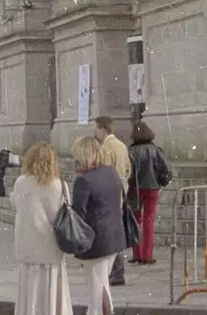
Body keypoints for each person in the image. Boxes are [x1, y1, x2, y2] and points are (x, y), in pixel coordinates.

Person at [11, 141, 74, 315]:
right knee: (51, 287)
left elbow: (15, 200)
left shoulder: (21, 182)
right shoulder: (57, 185)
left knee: (28, 289)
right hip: (50, 245)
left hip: (27, 243)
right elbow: (58, 214)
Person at [71, 135, 124, 315]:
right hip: (114, 237)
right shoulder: (111, 172)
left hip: (95, 242)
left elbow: (78, 214)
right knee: (102, 286)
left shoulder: (83, 180)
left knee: (96, 290)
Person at [92, 116, 130, 286]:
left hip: (108, 197)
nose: (95, 132)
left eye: (96, 128)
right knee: (115, 233)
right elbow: (128, 168)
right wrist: (123, 184)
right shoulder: (121, 145)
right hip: (120, 195)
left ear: (102, 128)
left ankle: (115, 271)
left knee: (109, 236)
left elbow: (103, 173)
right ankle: (117, 271)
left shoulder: (106, 148)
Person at [126, 121, 170, 266]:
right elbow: (167, 171)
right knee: (149, 221)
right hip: (152, 188)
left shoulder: (130, 151)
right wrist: (160, 181)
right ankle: (147, 255)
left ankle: (137, 254)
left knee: (136, 221)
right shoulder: (156, 150)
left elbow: (128, 172)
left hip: (135, 189)